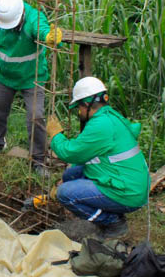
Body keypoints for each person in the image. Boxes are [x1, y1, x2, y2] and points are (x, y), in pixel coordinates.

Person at [0, 0, 62, 174]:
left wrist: (49, 36)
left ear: (21, 15)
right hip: (4, 75)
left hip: (32, 77)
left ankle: (38, 160)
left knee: (36, 116)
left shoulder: (34, 19)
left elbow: (41, 30)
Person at [47, 76, 149, 240]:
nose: (79, 112)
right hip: (127, 181)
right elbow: (87, 157)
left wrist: (56, 136)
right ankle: (108, 208)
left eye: (78, 107)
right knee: (70, 175)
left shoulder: (100, 126)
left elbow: (70, 153)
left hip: (128, 193)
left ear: (86, 105)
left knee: (65, 193)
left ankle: (113, 223)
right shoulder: (111, 116)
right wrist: (65, 179)